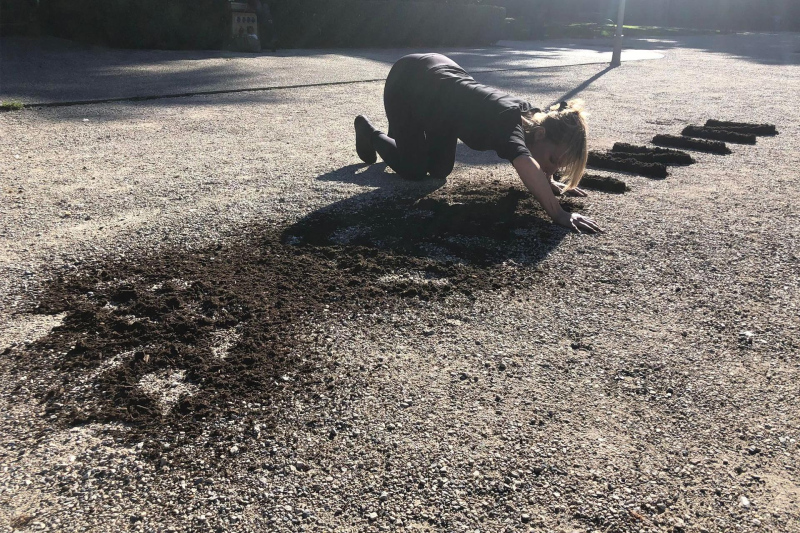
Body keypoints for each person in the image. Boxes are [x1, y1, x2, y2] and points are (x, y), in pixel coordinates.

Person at [354, 53, 601, 234]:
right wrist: (559, 213)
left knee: (440, 170)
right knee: (414, 170)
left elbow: (543, 153)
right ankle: (369, 132)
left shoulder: (535, 118)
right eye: (553, 161)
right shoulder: (508, 125)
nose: (552, 168)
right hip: (409, 79)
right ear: (540, 134)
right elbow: (526, 163)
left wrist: (549, 179)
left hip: (440, 89)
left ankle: (400, 139)